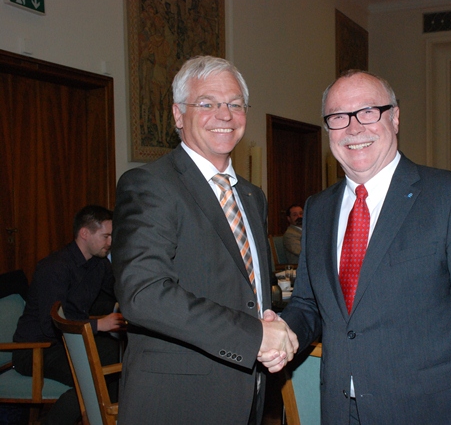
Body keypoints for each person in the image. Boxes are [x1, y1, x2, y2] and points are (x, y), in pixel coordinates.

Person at [277, 70, 451, 424]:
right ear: (328, 128)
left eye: (368, 111)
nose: (354, 128)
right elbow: (308, 304)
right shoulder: (318, 208)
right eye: (338, 116)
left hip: (427, 412)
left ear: (395, 117)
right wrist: (281, 333)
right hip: (340, 411)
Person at [111, 55, 297, 425]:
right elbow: (143, 294)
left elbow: (250, 292)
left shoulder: (252, 196)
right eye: (207, 104)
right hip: (180, 400)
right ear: (178, 115)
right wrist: (254, 336)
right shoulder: (150, 184)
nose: (224, 115)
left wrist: (273, 326)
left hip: (248, 392)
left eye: (235, 104)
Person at [12, 205, 123, 425]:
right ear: (85, 233)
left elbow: (111, 295)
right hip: (37, 349)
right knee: (94, 380)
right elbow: (51, 324)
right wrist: (99, 325)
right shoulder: (54, 268)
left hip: (68, 341)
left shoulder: (98, 264)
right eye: (106, 236)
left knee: (118, 356)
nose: (110, 242)